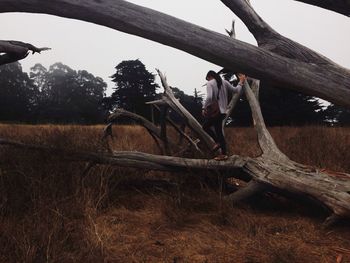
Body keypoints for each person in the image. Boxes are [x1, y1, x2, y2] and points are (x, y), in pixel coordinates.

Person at [202, 70, 246, 161]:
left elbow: (210, 97)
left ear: (210, 76)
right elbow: (236, 90)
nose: (207, 80)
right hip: (222, 112)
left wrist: (204, 107)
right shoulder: (225, 82)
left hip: (215, 111)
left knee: (207, 127)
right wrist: (241, 82)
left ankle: (222, 152)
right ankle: (221, 149)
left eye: (207, 79)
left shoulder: (210, 83)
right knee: (217, 130)